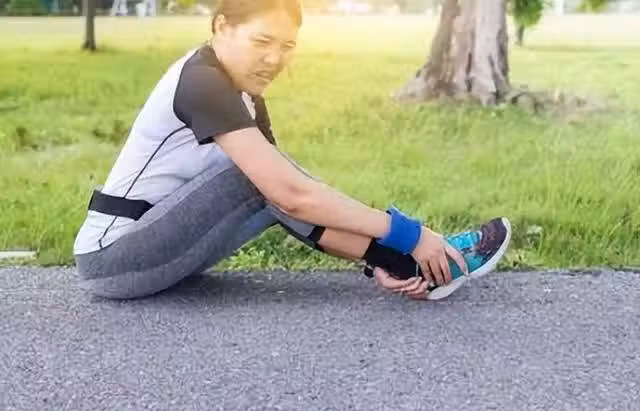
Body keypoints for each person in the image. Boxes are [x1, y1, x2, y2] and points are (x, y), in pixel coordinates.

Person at [72, 0, 512, 301]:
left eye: (286, 46)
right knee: (264, 179)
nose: (274, 59)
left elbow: (290, 206)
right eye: (261, 41)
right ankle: (416, 253)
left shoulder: (245, 95)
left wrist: (377, 257)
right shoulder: (202, 80)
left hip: (163, 252)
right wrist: (409, 234)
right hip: (112, 258)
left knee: (273, 180)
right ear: (221, 27)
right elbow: (287, 193)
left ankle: (409, 265)